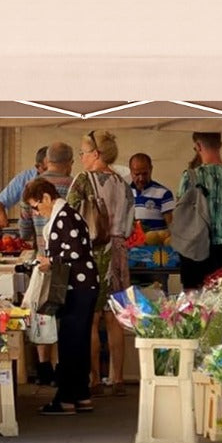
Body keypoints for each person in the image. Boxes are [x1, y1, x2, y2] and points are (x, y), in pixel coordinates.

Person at [23, 177, 99, 415]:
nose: (36, 212)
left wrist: (51, 261)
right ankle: (81, 395)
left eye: (36, 206)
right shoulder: (67, 215)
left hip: (78, 286)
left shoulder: (64, 217)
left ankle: (66, 398)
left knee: (70, 342)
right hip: (81, 284)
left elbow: (75, 250)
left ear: (46, 197)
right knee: (77, 341)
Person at [67, 131, 134, 396]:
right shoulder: (123, 182)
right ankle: (117, 378)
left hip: (92, 253)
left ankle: (94, 378)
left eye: (83, 152)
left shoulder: (83, 180)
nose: (81, 157)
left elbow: (71, 216)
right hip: (118, 252)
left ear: (96, 154)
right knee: (115, 317)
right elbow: (130, 223)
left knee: (91, 318)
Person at [20, 142, 74, 388]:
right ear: (70, 162)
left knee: (44, 312)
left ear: (46, 161)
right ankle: (64, 367)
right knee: (65, 316)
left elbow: (23, 230)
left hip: (42, 259)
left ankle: (44, 368)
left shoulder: (30, 187)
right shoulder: (72, 186)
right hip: (67, 263)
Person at [177, 132, 222, 290]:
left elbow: (181, 215)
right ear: (220, 145)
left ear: (197, 146)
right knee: (221, 303)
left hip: (194, 250)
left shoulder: (190, 177)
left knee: (193, 304)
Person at [0, 146, 48, 227]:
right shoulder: (25, 178)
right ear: (38, 167)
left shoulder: (64, 181)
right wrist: (1, 217)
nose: (51, 173)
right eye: (46, 169)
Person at [127, 153, 174, 232]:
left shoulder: (164, 193)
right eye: (137, 174)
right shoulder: (125, 193)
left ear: (151, 169)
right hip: (131, 243)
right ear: (131, 172)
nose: (141, 178)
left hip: (157, 243)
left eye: (145, 174)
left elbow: (171, 226)